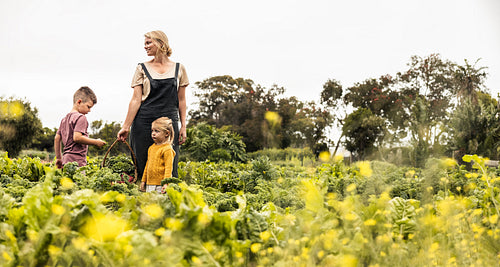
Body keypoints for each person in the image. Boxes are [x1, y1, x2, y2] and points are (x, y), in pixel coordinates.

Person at [117, 30, 189, 182]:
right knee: (143, 165)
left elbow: (181, 100)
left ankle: (167, 201)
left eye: (149, 43)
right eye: (145, 44)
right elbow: (136, 100)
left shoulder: (179, 68)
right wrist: (126, 126)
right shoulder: (141, 68)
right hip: (144, 122)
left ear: (161, 43)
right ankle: (143, 201)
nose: (145, 47)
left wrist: (183, 126)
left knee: (170, 165)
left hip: (169, 123)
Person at [54, 86, 106, 168]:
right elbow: (77, 138)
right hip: (77, 162)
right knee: (79, 180)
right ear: (79, 102)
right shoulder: (81, 118)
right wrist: (96, 142)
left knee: (67, 181)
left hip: (66, 160)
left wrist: (59, 158)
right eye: (88, 107)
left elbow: (57, 138)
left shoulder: (64, 119)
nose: (89, 110)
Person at [140, 117, 176, 192]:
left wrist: (166, 183)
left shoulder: (167, 149)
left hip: (160, 185)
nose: (153, 133)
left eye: (157, 131)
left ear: (167, 133)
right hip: (149, 184)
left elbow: (168, 168)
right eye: (152, 130)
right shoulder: (151, 148)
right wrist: (143, 180)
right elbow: (147, 165)